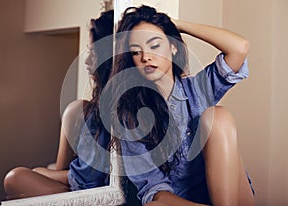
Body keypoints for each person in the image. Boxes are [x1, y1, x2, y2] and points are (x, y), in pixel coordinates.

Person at [108, 5, 255, 206]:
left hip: (234, 197)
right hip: (187, 202)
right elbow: (155, 189)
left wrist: (178, 25)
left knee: (217, 116)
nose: (146, 57)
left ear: (173, 47)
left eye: (155, 45)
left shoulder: (197, 89)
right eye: (136, 52)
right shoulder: (129, 117)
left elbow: (239, 47)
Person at [3, 10, 114, 199]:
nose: (86, 60)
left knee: (14, 178)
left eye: (93, 53)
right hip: (81, 183)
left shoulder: (99, 111)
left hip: (89, 191)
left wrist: (42, 172)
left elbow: (84, 177)